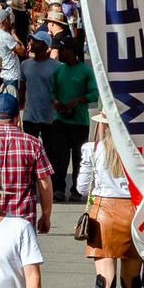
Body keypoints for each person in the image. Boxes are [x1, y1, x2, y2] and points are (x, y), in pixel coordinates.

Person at [77, 114, 144, 288]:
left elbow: (82, 187)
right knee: (131, 279)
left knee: (105, 280)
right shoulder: (136, 150)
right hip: (132, 213)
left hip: (103, 214)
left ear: (103, 124)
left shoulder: (92, 149)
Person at [0, 93, 54, 233]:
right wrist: (46, 216)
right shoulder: (33, 144)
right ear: (17, 117)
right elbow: (44, 184)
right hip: (22, 220)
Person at [50, 39, 98, 201]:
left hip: (79, 122)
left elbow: (94, 93)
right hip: (60, 121)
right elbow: (52, 91)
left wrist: (78, 101)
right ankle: (59, 189)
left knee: (79, 157)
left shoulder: (85, 71)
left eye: (63, 50)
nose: (60, 53)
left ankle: (76, 190)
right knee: (59, 158)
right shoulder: (59, 70)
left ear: (71, 51)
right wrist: (56, 102)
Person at [19, 33, 59, 145]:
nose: (32, 43)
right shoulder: (25, 65)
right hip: (29, 117)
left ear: (46, 46)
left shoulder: (57, 67)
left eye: (37, 41)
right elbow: (22, 89)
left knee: (50, 152)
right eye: (32, 40)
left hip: (50, 118)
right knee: (29, 151)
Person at [0, 7, 25, 87]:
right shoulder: (6, 36)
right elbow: (22, 51)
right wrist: (14, 35)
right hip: (10, 75)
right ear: (6, 20)